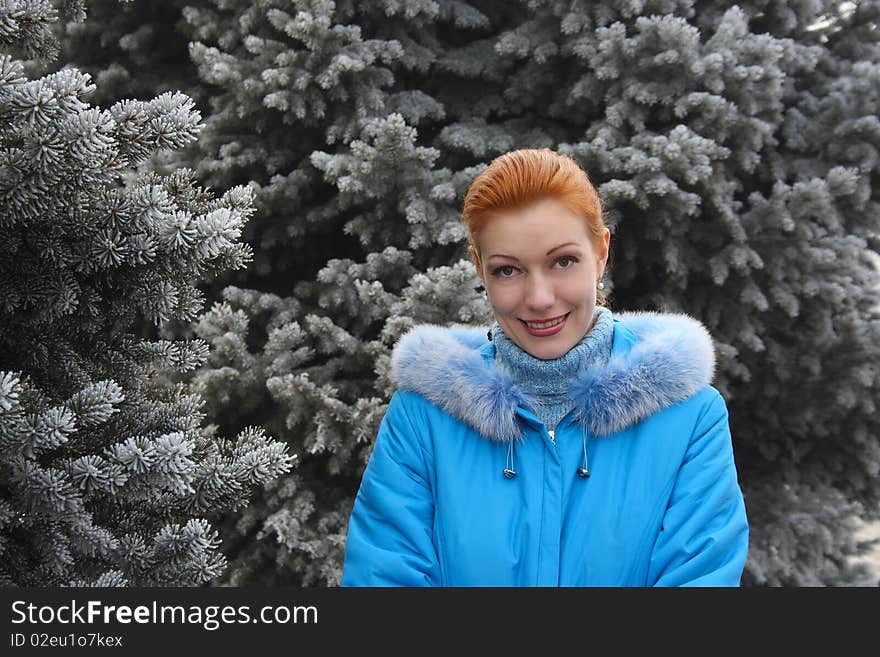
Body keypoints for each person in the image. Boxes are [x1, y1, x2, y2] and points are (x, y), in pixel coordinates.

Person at [341, 148, 749, 586]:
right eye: (508, 270)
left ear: (601, 253)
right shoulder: (422, 418)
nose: (538, 298)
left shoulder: (690, 417)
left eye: (563, 261)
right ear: (480, 269)